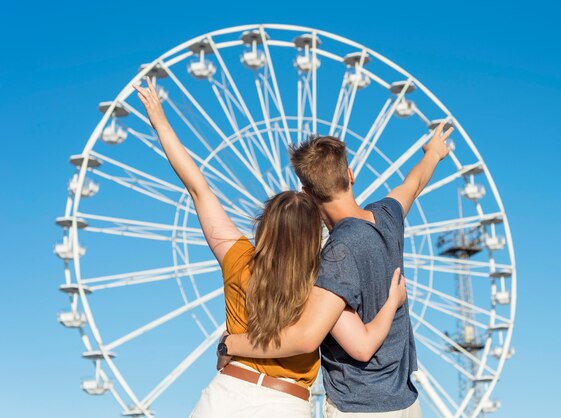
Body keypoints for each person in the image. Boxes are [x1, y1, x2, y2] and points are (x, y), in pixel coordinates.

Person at [133, 79, 408, 418]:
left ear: (265, 223)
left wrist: (160, 121)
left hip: (225, 395)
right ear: (313, 235)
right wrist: (392, 302)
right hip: (285, 403)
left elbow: (197, 188)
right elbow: (363, 346)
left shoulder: (238, 259)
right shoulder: (323, 283)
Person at [221, 123, 452, 417]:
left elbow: (311, 338)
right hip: (406, 401)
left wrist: (230, 343)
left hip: (360, 405)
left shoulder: (335, 258)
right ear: (351, 175)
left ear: (307, 194)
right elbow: (413, 183)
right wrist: (433, 153)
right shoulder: (387, 216)